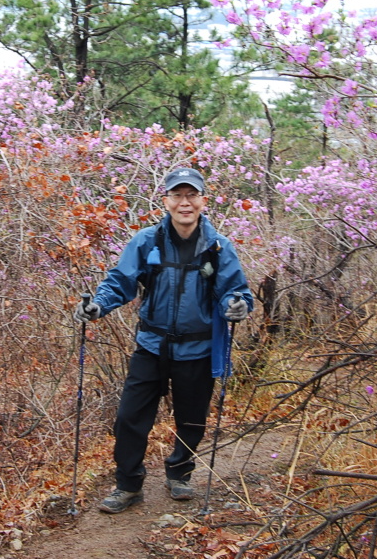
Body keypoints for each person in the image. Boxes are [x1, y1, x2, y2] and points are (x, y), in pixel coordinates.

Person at [74, 167, 253, 514]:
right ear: (167, 201)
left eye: (191, 195)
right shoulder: (147, 241)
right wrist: (97, 306)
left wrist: (238, 306)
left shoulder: (218, 247)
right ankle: (128, 485)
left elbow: (236, 292)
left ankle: (179, 474)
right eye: (177, 195)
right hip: (152, 346)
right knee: (129, 417)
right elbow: (120, 282)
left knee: (192, 419)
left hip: (197, 349)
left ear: (202, 200)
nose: (184, 202)